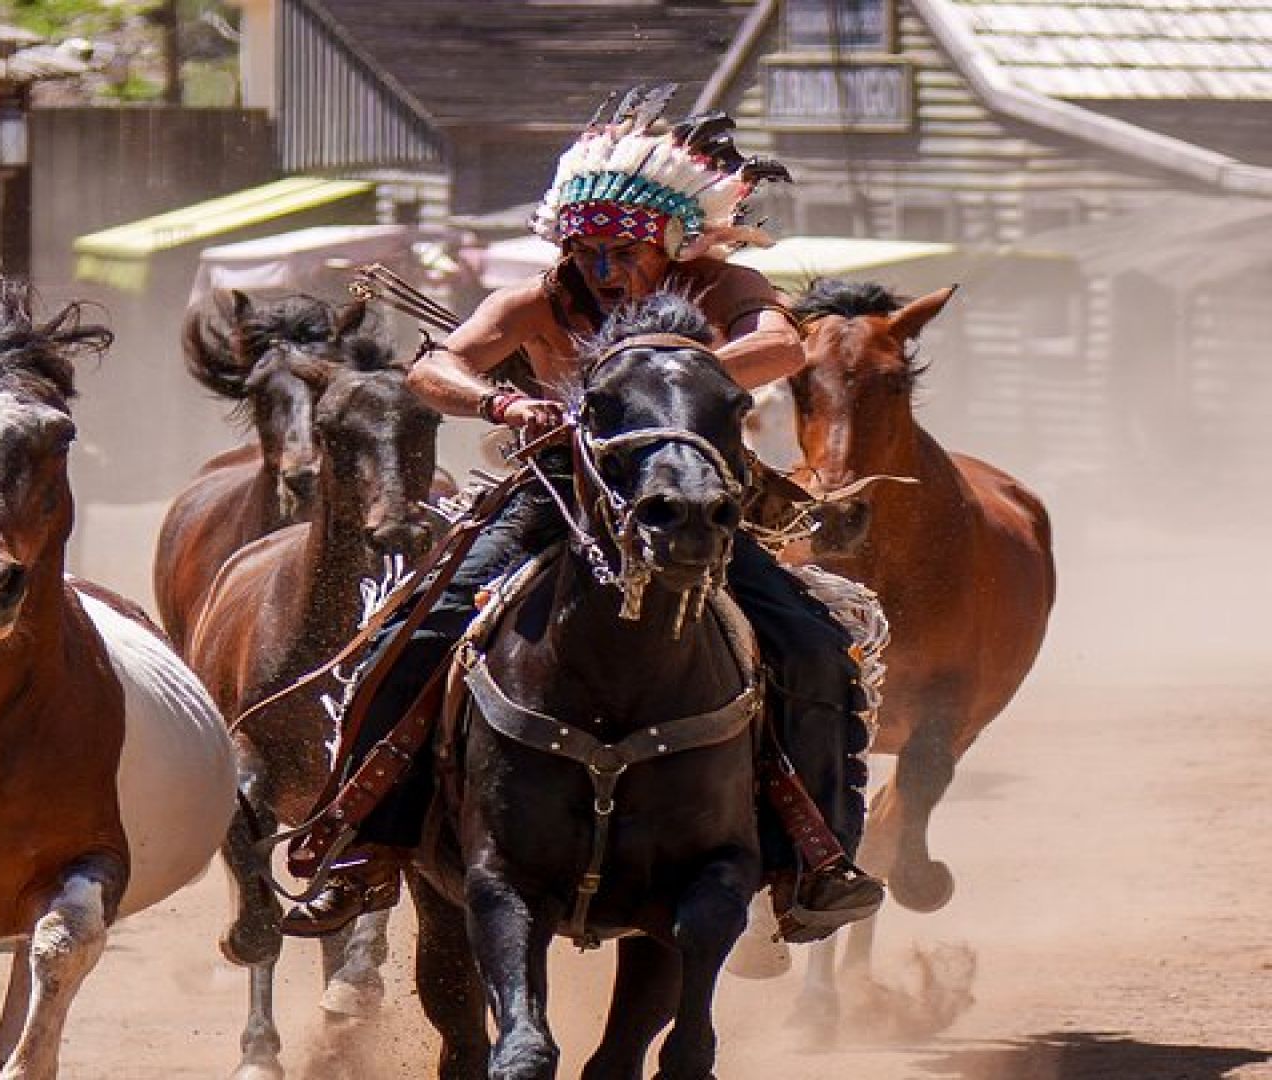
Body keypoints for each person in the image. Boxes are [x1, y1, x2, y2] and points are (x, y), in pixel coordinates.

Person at [280, 97, 883, 944]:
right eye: (586, 249)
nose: (602, 268)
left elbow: (780, 348)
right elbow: (434, 369)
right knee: (413, 636)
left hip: (693, 498)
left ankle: (814, 859)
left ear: (673, 243)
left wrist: (656, 372)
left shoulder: (725, 285)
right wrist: (501, 400)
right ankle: (366, 847)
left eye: (622, 250)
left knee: (812, 647)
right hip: (558, 495)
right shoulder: (537, 300)